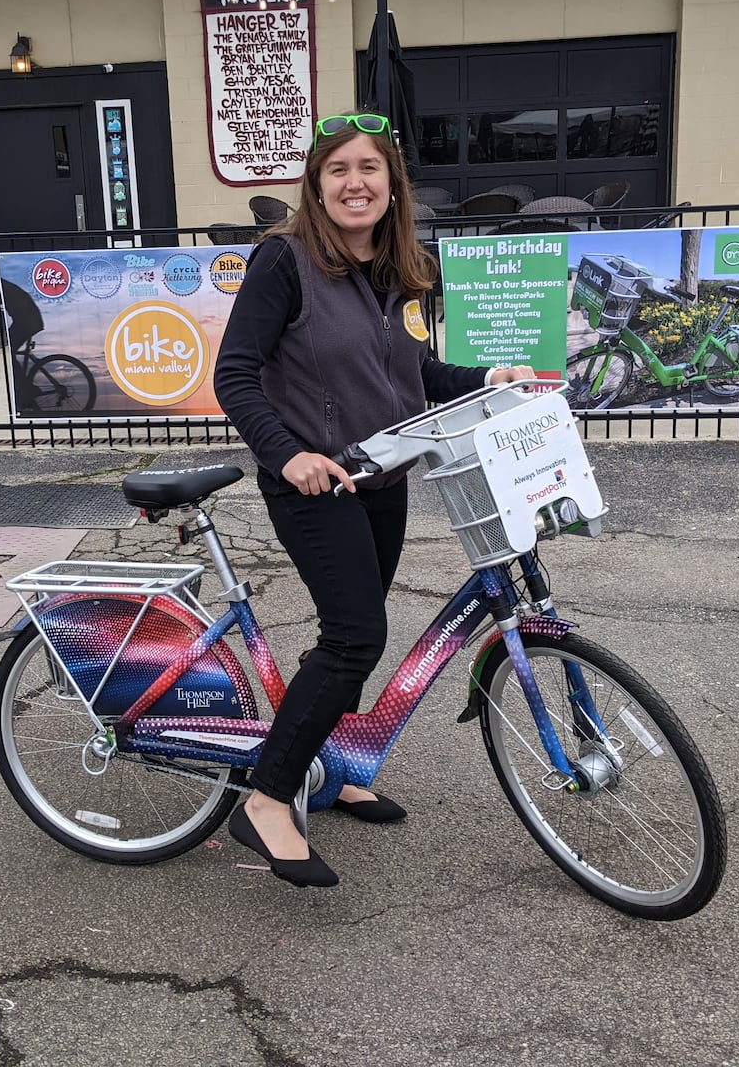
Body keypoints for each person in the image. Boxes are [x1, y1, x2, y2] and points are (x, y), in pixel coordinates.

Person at [213, 110, 535, 887]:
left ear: (393, 186)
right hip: (313, 483)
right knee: (355, 637)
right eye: (338, 170)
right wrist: (289, 456)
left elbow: (414, 376)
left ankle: (338, 759)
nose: (354, 183)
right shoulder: (284, 262)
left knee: (355, 633)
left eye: (369, 169)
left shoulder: (404, 270)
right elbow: (235, 373)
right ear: (317, 187)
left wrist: (487, 379)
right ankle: (265, 802)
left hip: (381, 478)